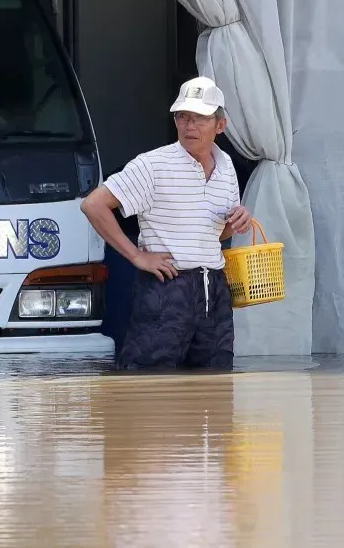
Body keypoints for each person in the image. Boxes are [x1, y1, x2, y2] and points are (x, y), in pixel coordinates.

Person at [81, 76, 252, 370]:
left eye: (199, 118)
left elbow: (215, 233)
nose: (189, 126)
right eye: (182, 116)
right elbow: (93, 205)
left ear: (220, 126)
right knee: (150, 379)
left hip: (214, 289)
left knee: (217, 381)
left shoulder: (227, 169)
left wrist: (239, 222)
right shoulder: (152, 164)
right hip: (167, 287)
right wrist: (136, 256)